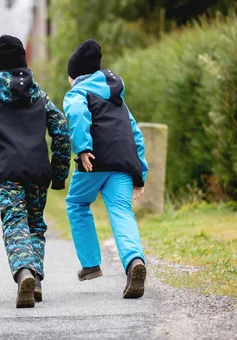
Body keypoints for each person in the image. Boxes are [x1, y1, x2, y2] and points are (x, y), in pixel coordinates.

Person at [0, 35, 71, 308]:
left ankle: (24, 273)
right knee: (35, 227)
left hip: (7, 174)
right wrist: (59, 172)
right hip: (38, 173)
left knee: (14, 224)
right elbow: (61, 128)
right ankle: (35, 281)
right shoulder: (39, 94)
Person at [63, 39, 149, 299]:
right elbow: (135, 134)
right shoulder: (118, 98)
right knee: (122, 211)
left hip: (94, 162)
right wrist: (140, 173)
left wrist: (83, 148)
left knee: (77, 204)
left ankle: (90, 265)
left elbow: (77, 114)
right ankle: (135, 261)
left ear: (74, 76)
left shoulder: (77, 92)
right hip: (123, 164)